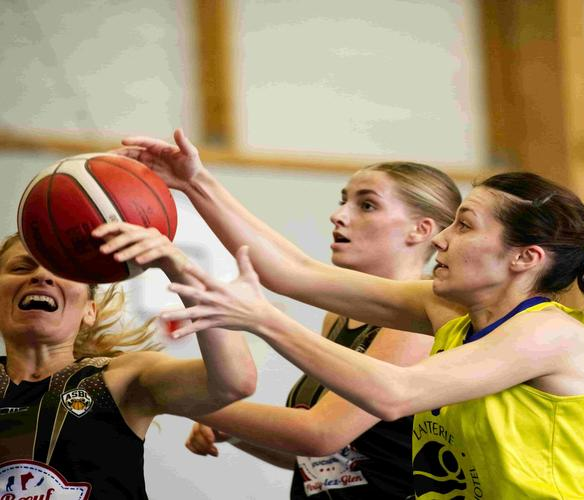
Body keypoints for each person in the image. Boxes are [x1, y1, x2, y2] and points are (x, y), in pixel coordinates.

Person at [128, 131, 584, 498]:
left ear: (524, 258)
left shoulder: (550, 333)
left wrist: (261, 322)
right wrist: (196, 183)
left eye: (464, 226)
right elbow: (293, 272)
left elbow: (394, 394)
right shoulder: (447, 310)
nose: (442, 238)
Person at [118, 130, 461, 499]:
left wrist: (177, 398)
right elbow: (328, 461)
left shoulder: (417, 329)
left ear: (421, 230)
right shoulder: (338, 318)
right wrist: (236, 432)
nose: (338, 215)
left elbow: (320, 433)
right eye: (343, 200)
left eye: (366, 205)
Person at [0, 223, 256, 500]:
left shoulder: (119, 378)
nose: (42, 276)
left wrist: (179, 267)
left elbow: (235, 381)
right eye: (21, 268)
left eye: (62, 270)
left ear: (90, 310)